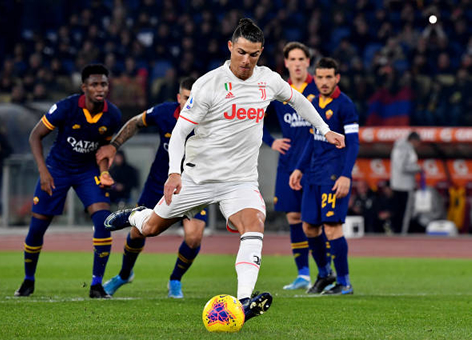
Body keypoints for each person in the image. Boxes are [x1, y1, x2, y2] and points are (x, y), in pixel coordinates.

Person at [105, 18, 345, 321]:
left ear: (261, 53)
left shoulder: (267, 80)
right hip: (197, 177)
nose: (247, 60)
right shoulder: (208, 85)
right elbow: (179, 133)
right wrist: (174, 173)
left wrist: (324, 130)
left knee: (254, 223)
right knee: (150, 228)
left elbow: (298, 100)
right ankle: (134, 214)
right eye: (242, 52)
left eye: (254, 54)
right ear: (231, 47)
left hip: (240, 180)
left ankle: (244, 301)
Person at [95, 77, 209, 299]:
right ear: (178, 98)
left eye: (195, 98)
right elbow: (136, 122)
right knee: (138, 233)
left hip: (193, 187)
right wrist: (114, 146)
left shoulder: (210, 119)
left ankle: (175, 280)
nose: (190, 102)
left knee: (194, 237)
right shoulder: (165, 112)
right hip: (159, 184)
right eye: (186, 98)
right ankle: (124, 274)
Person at [14, 64, 122, 298]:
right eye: (94, 84)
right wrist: (43, 171)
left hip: (87, 171)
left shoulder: (113, 115)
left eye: (103, 84)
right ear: (84, 87)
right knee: (37, 228)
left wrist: (103, 172)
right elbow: (35, 136)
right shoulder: (65, 107)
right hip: (57, 169)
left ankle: (96, 285)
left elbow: (103, 150)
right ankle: (28, 280)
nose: (99, 88)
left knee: (103, 221)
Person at [290, 57, 359, 295]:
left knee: (332, 229)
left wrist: (346, 175)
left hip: (333, 177)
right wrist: (299, 168)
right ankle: (323, 274)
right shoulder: (312, 102)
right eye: (319, 77)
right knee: (309, 227)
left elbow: (353, 143)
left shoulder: (345, 105)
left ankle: (344, 282)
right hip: (313, 175)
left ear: (337, 78)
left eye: (329, 76)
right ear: (315, 77)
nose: (324, 81)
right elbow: (312, 139)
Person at [262, 42, 318, 290]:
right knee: (294, 217)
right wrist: (270, 142)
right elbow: (252, 115)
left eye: (300, 59)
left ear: (308, 61)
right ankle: (303, 274)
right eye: (292, 59)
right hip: (287, 163)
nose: (296, 63)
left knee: (315, 220)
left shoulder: (318, 87)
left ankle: (325, 272)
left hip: (315, 163)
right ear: (286, 63)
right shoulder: (278, 90)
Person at [390, 131, 421, 234]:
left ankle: (396, 231)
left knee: (397, 210)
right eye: (418, 142)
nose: (419, 145)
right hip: (405, 185)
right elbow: (402, 167)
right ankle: (402, 233)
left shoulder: (397, 147)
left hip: (396, 184)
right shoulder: (406, 148)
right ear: (413, 140)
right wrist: (418, 168)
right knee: (404, 212)